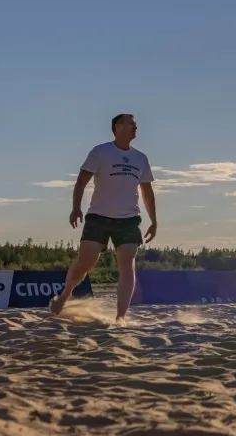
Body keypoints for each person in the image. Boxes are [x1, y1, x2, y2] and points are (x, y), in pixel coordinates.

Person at [49, 114, 157, 322]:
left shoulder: (141, 158)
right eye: (131, 123)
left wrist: (153, 220)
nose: (136, 126)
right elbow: (81, 181)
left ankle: (120, 317)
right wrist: (75, 208)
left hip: (129, 219)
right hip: (98, 216)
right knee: (85, 263)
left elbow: (147, 192)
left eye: (135, 123)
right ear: (118, 126)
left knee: (127, 264)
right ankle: (65, 295)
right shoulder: (100, 152)